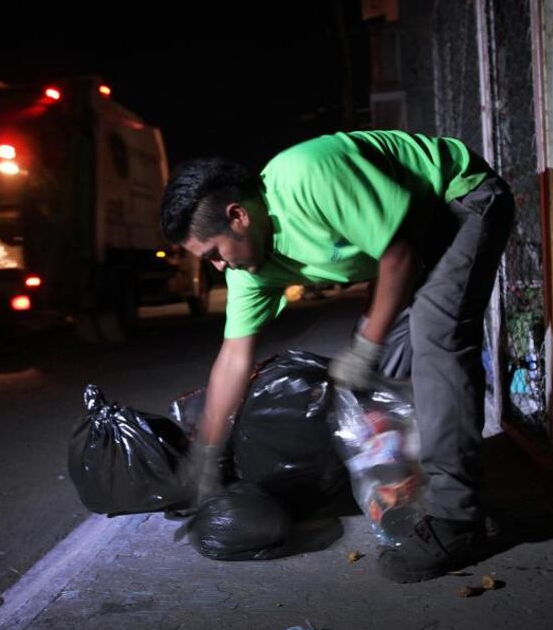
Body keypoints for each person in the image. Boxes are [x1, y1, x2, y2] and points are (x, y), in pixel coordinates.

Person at [160, 130, 514, 583]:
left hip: (459, 200)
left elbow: (398, 252)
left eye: (214, 254)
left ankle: (457, 519)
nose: (218, 268)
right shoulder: (252, 269)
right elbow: (234, 356)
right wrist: (206, 452)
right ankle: (430, 477)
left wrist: (367, 344)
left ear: (238, 217)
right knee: (388, 365)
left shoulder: (308, 177)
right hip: (416, 231)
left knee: (435, 335)